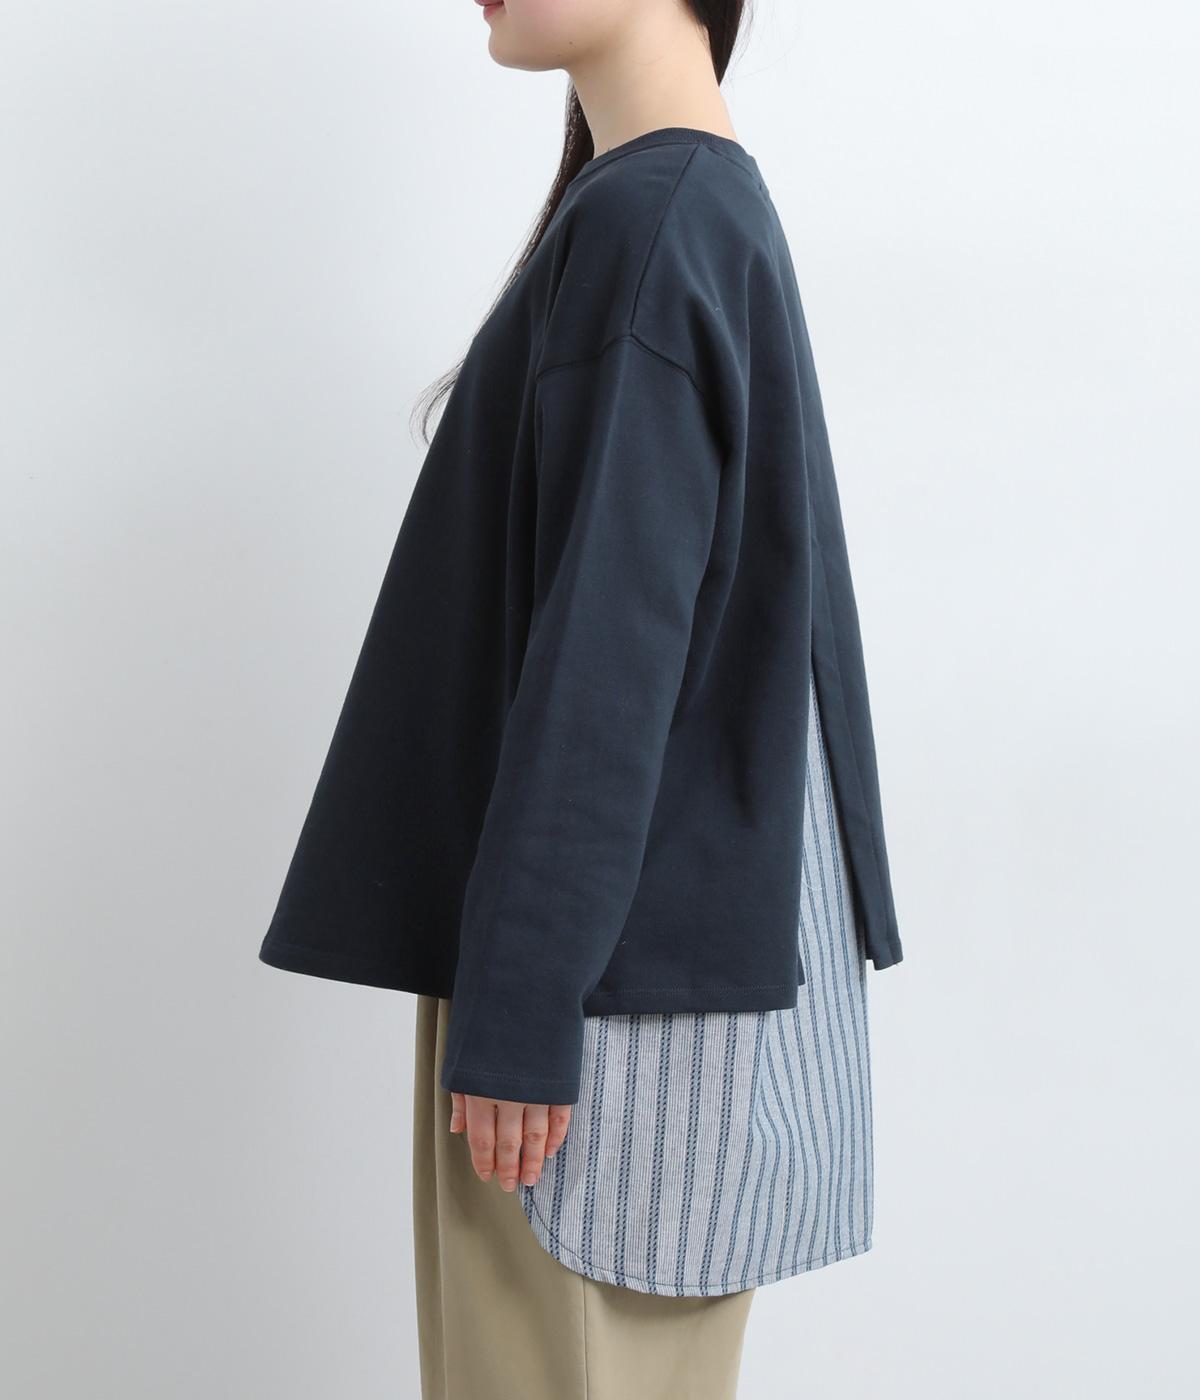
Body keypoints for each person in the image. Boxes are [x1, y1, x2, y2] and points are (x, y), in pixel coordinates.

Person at [258, 2, 905, 1397]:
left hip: (602, 1002)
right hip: (657, 975)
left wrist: (522, 1004)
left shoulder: (651, 219)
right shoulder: (692, 205)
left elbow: (609, 660)